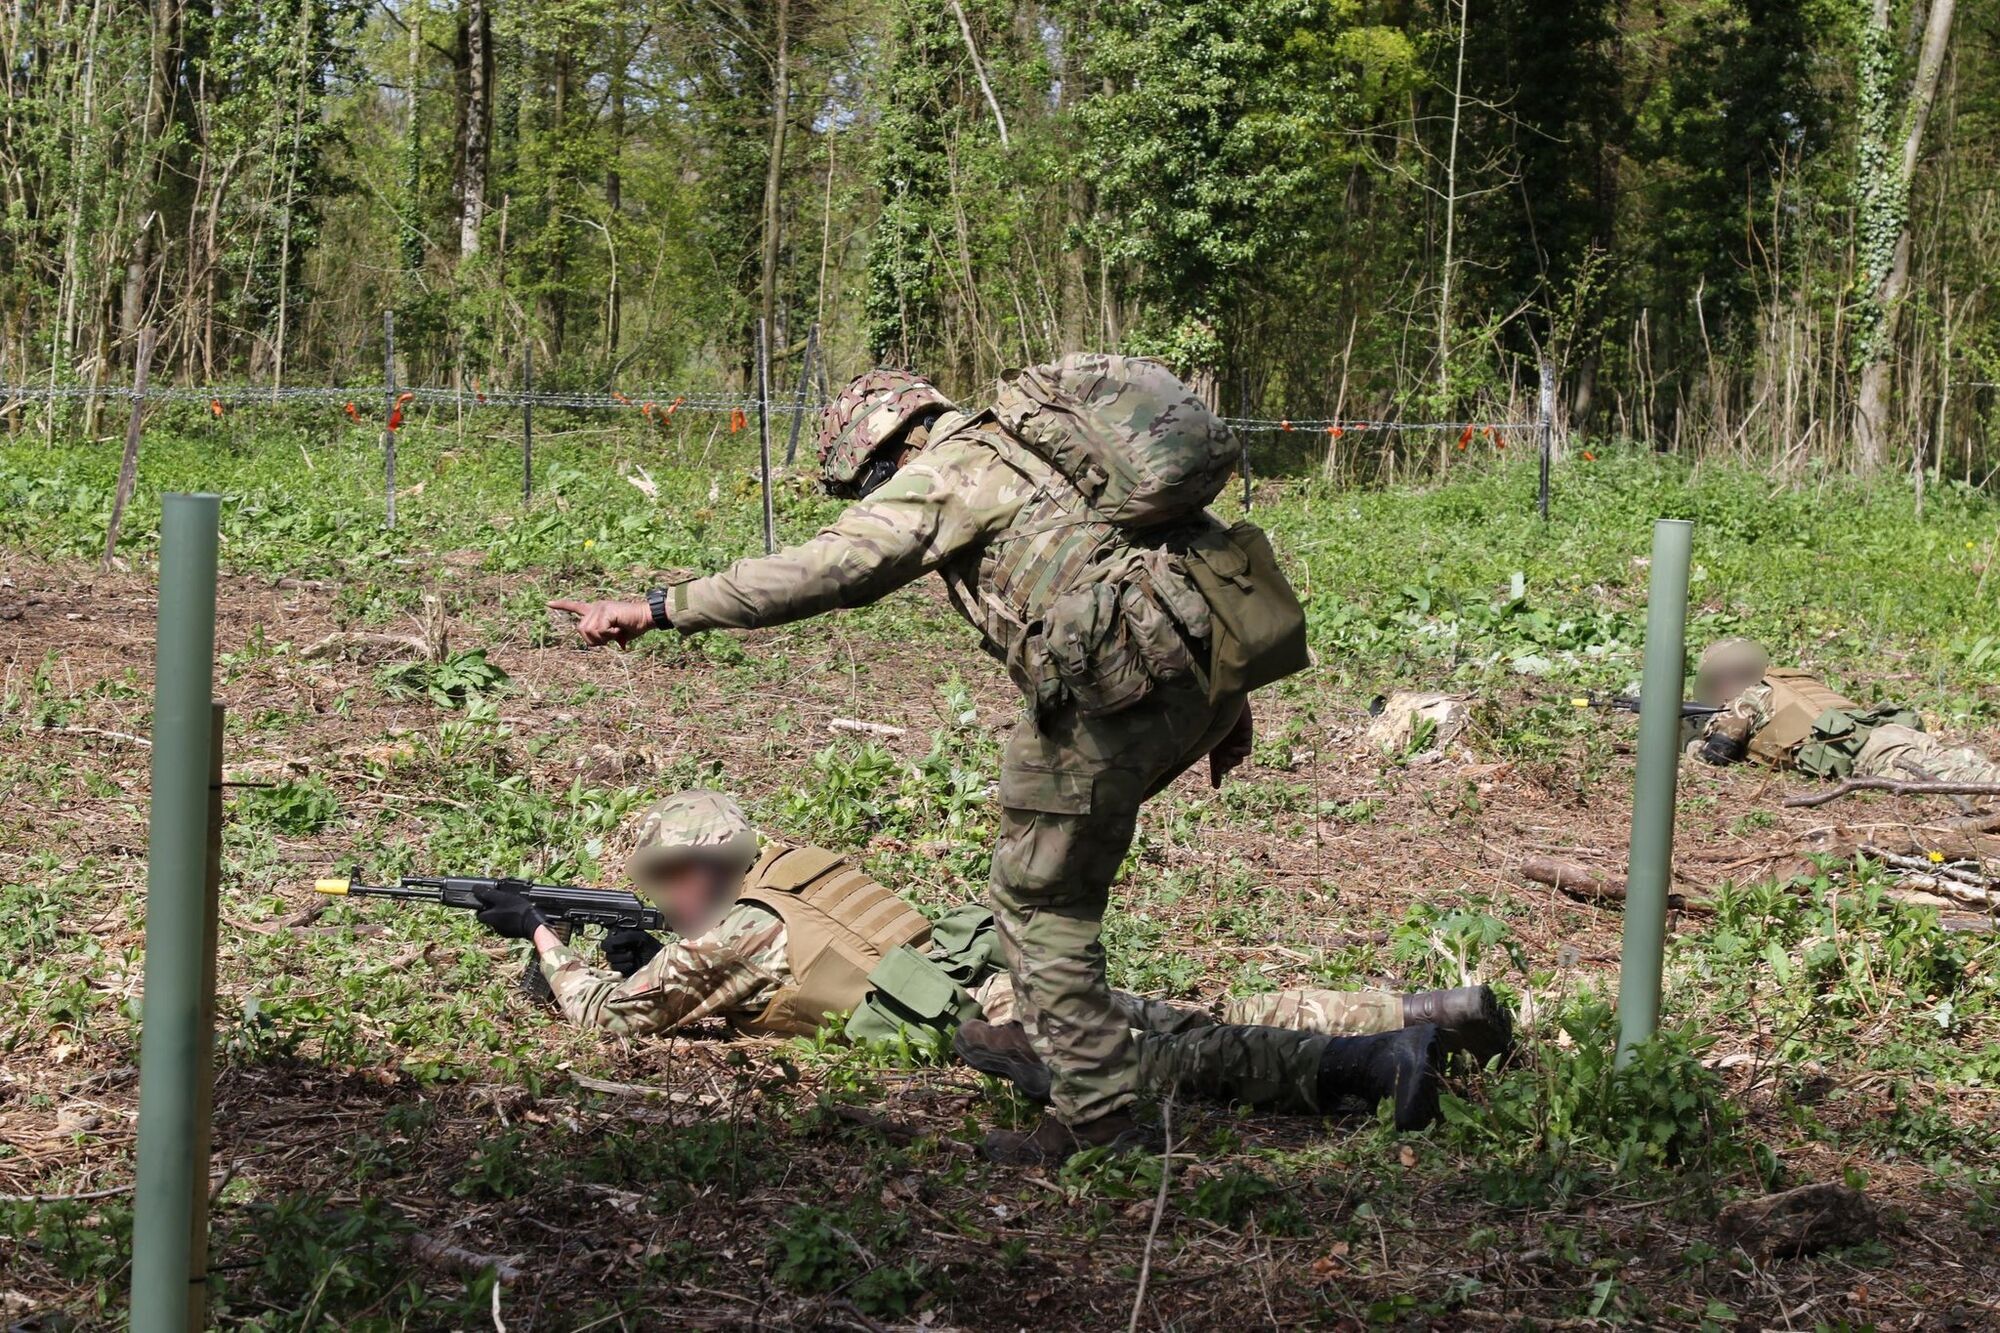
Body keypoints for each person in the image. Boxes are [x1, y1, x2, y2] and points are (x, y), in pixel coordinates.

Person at [545, 357, 1333, 1164]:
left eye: (865, 486)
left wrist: (659, 606)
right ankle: (1397, 1021)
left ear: (883, 451)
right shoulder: (1056, 458)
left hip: (1115, 698)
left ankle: (1096, 1122)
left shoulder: (952, 469)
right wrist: (1222, 708)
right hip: (1195, 673)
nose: (870, 500)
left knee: (1039, 904)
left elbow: (823, 571)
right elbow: (1169, 570)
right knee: (1049, 887)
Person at [468, 791, 1514, 1135]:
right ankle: (1418, 1005)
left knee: (1182, 1059)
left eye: (668, 882)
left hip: (978, 1028)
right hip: (997, 976)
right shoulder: (794, 873)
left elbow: (612, 1021)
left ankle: (1372, 1067)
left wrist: (551, 946)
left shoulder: (733, 931)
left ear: (698, 869)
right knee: (1191, 1014)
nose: (665, 902)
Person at [1688, 638, 2000, 783]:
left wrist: (1691, 746)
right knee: (1977, 770)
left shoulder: (1748, 698)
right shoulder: (1791, 678)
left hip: (1864, 750)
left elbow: (1719, 754)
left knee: (1976, 787)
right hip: (1886, 731)